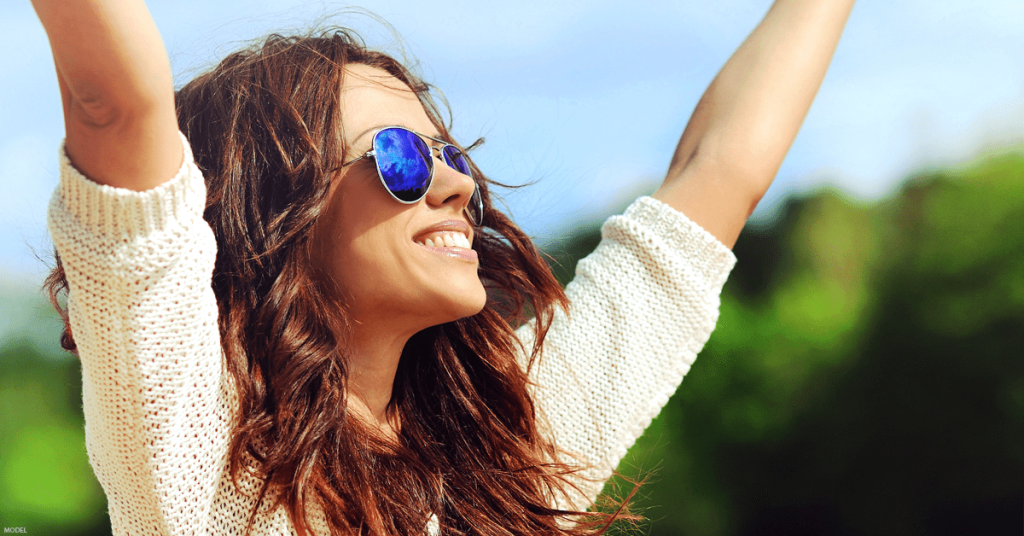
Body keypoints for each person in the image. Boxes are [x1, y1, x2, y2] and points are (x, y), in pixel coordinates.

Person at [33, 0, 855, 534]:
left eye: (449, 152)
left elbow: (717, 175)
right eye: (399, 159)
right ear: (274, 214)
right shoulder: (191, 446)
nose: (458, 184)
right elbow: (114, 104)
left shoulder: (504, 458)